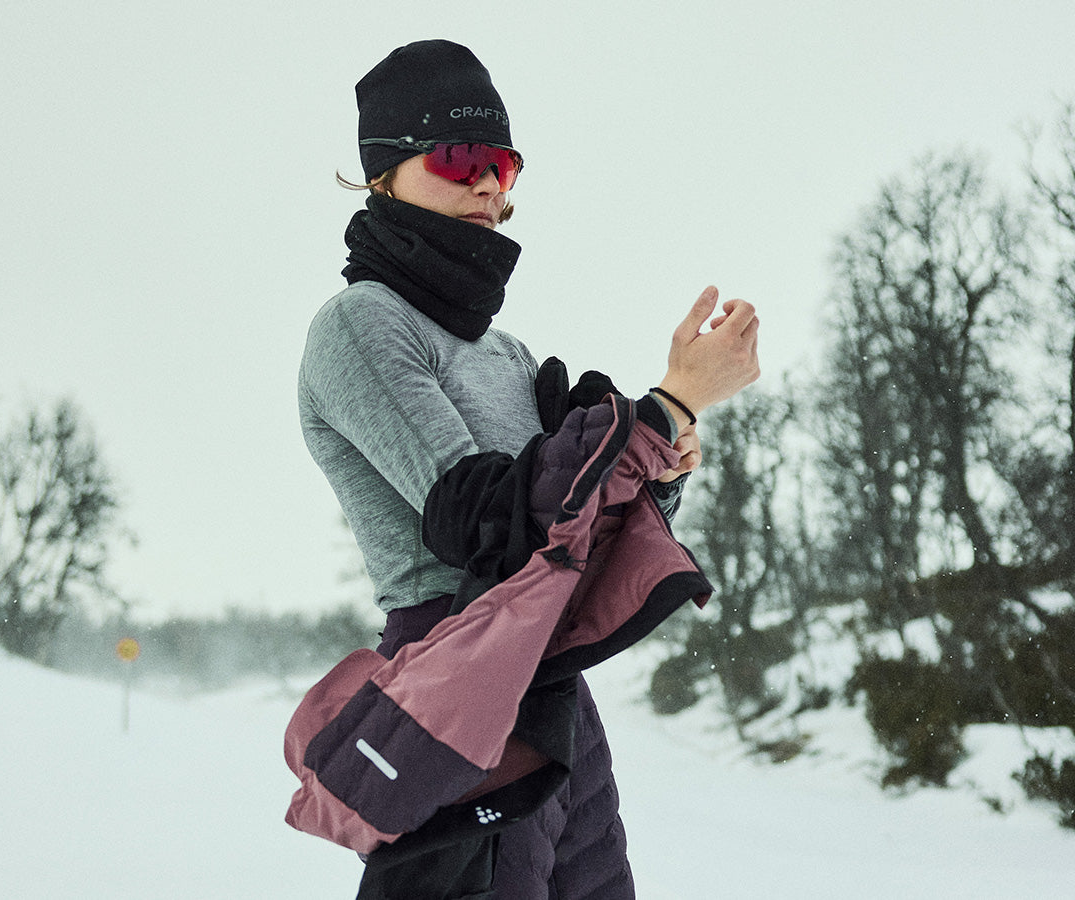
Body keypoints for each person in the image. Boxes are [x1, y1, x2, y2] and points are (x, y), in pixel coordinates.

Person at [296, 39, 759, 899]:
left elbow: (587, 528)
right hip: (456, 677)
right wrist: (664, 408)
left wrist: (664, 459)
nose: (488, 184)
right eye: (461, 156)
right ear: (383, 174)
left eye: (503, 164)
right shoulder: (361, 327)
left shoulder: (506, 352)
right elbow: (486, 527)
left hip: (552, 690)